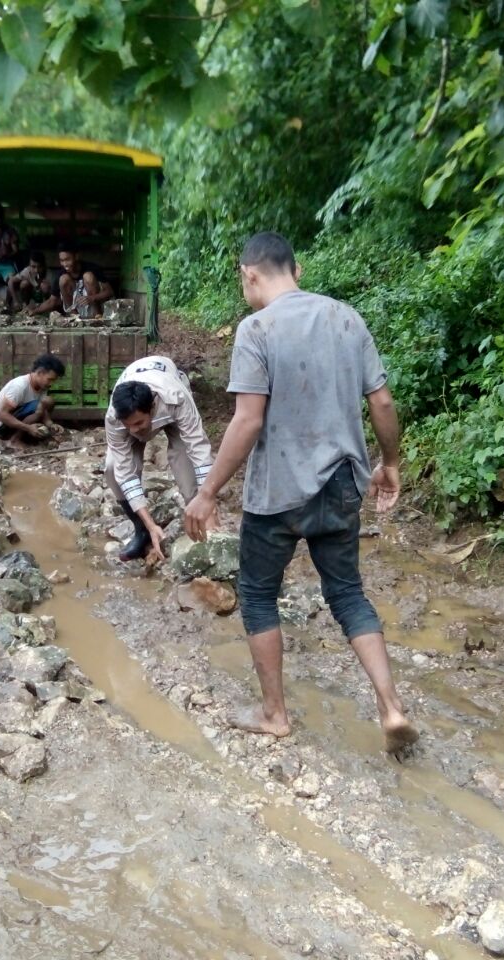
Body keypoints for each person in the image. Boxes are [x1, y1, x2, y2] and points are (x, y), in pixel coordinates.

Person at [183, 232, 418, 753]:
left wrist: (207, 492)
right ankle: (391, 706)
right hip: (341, 485)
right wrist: (391, 463)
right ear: (298, 268)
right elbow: (381, 402)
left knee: (260, 597)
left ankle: (274, 714)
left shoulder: (256, 329)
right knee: (349, 595)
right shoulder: (347, 318)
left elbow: (247, 421)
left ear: (249, 274)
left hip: (278, 495)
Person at [105, 356, 215, 563]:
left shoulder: (177, 397)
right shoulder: (114, 417)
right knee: (112, 470)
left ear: (153, 407)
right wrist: (150, 525)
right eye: (128, 425)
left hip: (170, 396)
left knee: (185, 460)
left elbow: (198, 449)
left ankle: (202, 519)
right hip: (137, 382)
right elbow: (124, 472)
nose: (134, 430)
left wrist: (210, 504)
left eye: (138, 423)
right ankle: (141, 532)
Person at [0, 354, 64, 450]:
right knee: (38, 405)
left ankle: (24, 437)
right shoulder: (19, 386)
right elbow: (1, 415)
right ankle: (13, 441)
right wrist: (28, 428)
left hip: (15, 421)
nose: (51, 384)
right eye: (49, 380)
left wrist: (50, 424)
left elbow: (43, 408)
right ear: (40, 372)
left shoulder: (42, 386)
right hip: (0, 427)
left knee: (47, 402)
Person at [36, 246, 113, 318]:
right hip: (77, 310)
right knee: (63, 279)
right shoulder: (61, 275)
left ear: (76, 256)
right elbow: (52, 301)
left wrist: (92, 298)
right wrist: (34, 310)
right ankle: (74, 317)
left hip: (94, 308)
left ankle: (98, 315)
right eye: (62, 260)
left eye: (67, 260)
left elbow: (109, 292)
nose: (65, 264)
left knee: (88, 276)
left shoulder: (93, 268)